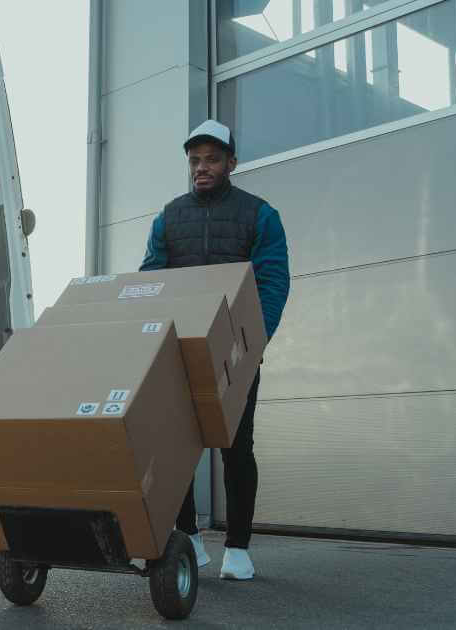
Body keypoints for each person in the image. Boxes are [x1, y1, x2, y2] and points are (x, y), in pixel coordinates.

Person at [139, 120, 290, 581]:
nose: (201, 168)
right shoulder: (169, 217)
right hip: (178, 352)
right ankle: (188, 539)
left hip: (235, 355)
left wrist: (252, 343)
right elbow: (150, 278)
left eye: (211, 160)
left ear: (231, 163)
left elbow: (272, 281)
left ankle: (238, 549)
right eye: (194, 161)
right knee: (175, 448)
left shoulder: (259, 215)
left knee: (235, 447)